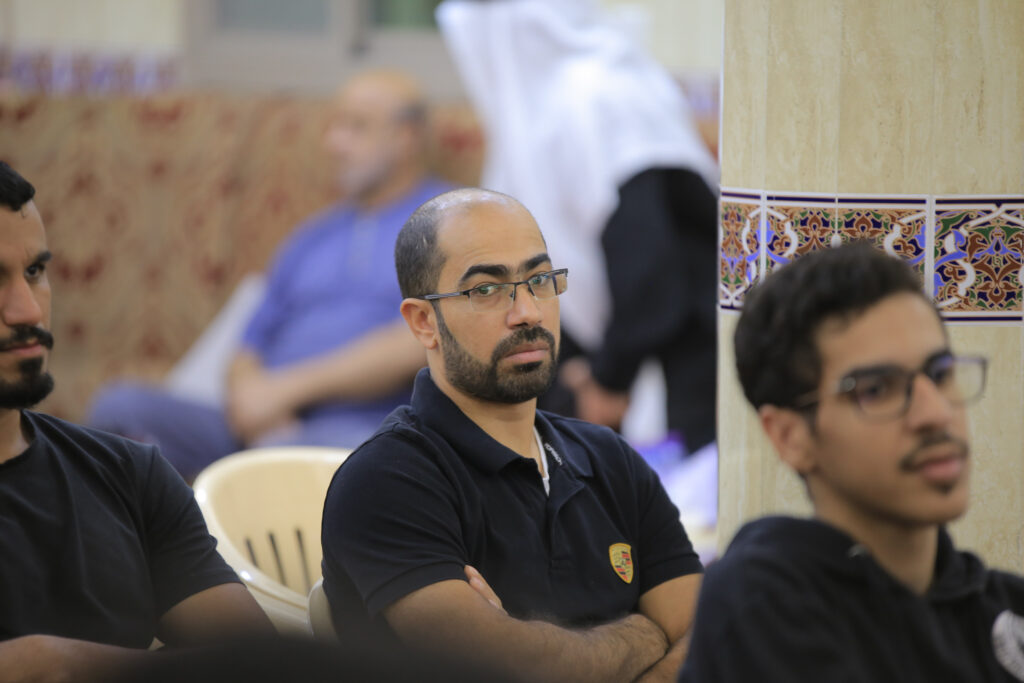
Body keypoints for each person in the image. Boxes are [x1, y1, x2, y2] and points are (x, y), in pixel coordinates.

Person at [321, 188, 703, 682]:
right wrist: (645, 634)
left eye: (539, 280)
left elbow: (708, 636)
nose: (528, 312)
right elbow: (517, 668)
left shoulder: (610, 459)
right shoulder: (388, 480)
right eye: (486, 290)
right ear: (424, 322)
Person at [679, 242, 1024, 682]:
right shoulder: (763, 603)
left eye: (940, 374)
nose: (936, 413)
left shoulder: (1003, 615)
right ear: (790, 436)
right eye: (876, 389)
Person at [88, 69, 452, 480]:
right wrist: (249, 399)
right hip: (258, 423)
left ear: (405, 138)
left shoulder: (445, 223)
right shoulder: (314, 234)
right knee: (117, 408)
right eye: (335, 126)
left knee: (328, 457)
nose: (333, 143)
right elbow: (250, 341)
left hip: (359, 427)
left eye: (356, 127)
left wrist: (285, 391)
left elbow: (426, 337)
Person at [0, 161, 274, 681]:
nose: (28, 310)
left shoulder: (129, 476)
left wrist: (60, 664)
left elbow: (260, 664)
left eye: (35, 272)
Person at [437, 0, 719, 453]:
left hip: (681, 359)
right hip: (624, 351)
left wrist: (610, 378)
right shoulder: (547, 104)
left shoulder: (599, 97)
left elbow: (648, 265)